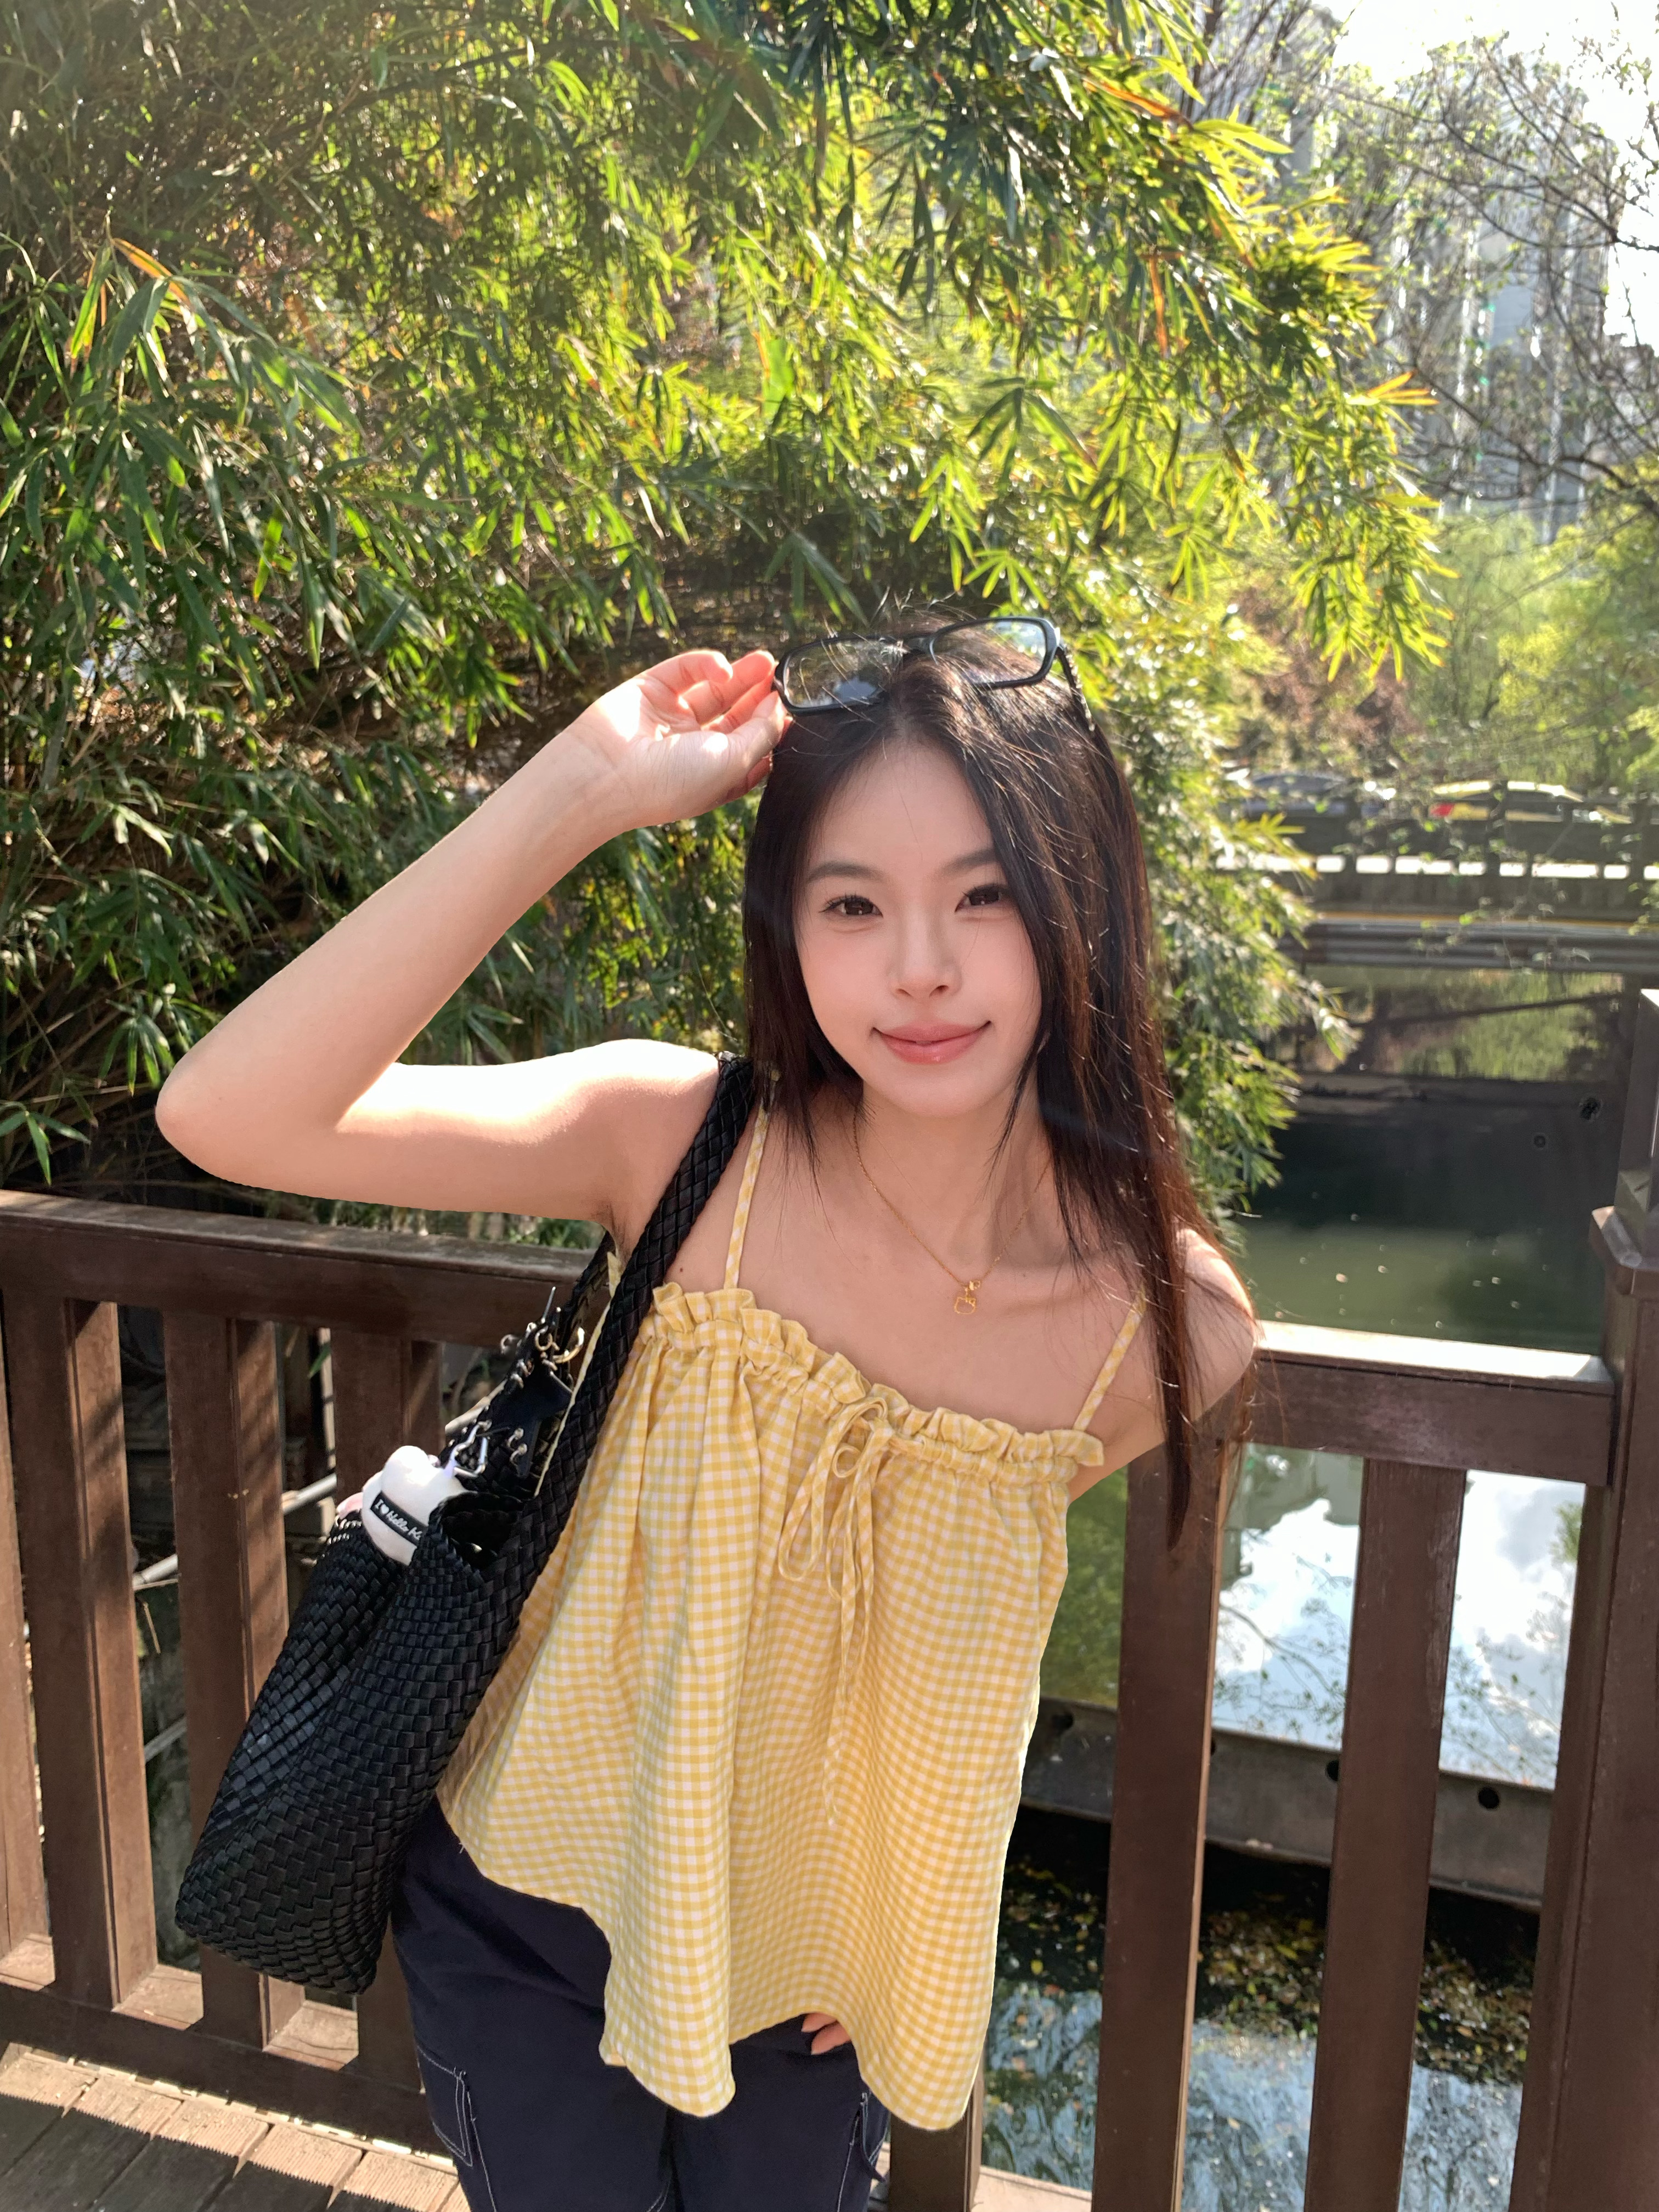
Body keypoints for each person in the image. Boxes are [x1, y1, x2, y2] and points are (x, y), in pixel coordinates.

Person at [156, 618, 1256, 2212]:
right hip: (528, 1905)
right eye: (852, 904)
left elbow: (918, 1633)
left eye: (987, 897)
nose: (920, 966)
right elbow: (228, 1111)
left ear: (1084, 903)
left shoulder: (1165, 1332)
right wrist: (587, 788)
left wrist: (889, 1914)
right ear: (789, 929)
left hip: (798, 1974)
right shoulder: (680, 1141)